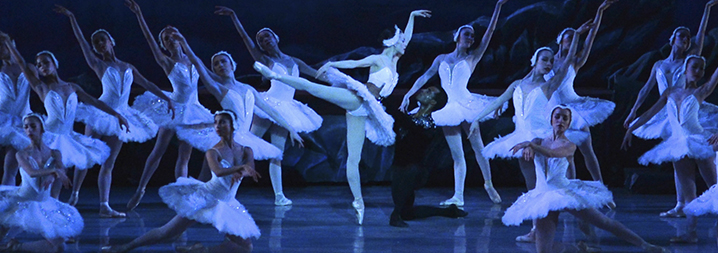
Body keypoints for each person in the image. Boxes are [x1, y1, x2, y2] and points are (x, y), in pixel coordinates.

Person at [253, 9, 430, 225]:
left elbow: (408, 38)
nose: (404, 42)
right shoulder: (377, 58)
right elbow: (354, 64)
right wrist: (332, 64)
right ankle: (275, 76)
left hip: (367, 110)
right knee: (314, 89)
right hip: (358, 98)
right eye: (400, 39)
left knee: (353, 159)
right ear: (393, 41)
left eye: (403, 40)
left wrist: (411, 15)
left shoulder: (396, 57)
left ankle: (358, 202)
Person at [53, 4, 175, 217]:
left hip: (122, 115)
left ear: (111, 42)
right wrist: (72, 17)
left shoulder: (128, 66)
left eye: (103, 40)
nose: (100, 44)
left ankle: (104, 205)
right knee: (88, 155)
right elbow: (82, 42)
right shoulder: (98, 64)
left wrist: (167, 98)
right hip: (100, 113)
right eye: (96, 42)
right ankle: (75, 194)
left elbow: (147, 83)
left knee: (109, 162)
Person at [504, 105, 669, 253]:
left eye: (565, 118)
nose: (560, 120)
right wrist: (528, 147)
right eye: (557, 117)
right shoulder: (538, 140)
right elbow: (532, 148)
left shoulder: (569, 145)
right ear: (551, 120)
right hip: (542, 195)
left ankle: (645, 245)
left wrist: (532, 146)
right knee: (543, 251)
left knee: (604, 222)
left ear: (568, 124)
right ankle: (578, 249)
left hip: (563, 192)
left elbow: (553, 154)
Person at [471, 30, 583, 242]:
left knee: (543, 184)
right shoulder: (517, 85)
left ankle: (556, 225)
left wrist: (576, 35)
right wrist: (477, 118)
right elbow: (498, 102)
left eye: (551, 61)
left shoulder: (548, 85)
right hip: (520, 137)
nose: (549, 64)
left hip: (538, 138)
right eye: (545, 60)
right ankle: (536, 229)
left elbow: (567, 60)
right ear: (535, 61)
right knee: (532, 186)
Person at [101, 110, 261, 253]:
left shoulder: (246, 150)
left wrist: (244, 170)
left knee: (245, 247)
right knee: (167, 233)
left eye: (222, 122)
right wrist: (237, 170)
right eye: (216, 122)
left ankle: (202, 250)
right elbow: (218, 172)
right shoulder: (213, 151)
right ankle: (124, 248)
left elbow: (250, 168)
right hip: (206, 197)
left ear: (232, 125)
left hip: (226, 202)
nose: (217, 126)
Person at [400, 0, 508, 206]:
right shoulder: (441, 58)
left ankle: (488, 183)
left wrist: (498, 7)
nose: (471, 37)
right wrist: (408, 95)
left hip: (468, 105)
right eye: (467, 34)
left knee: (478, 147)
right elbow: (424, 77)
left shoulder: (473, 57)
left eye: (472, 36)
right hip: (448, 108)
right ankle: (458, 196)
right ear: (457, 37)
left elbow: (490, 32)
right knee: (457, 155)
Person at [215, 5, 324, 206]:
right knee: (246, 146)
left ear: (276, 38)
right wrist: (234, 17)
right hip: (268, 105)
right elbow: (246, 41)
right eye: (262, 40)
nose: (265, 41)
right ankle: (222, 186)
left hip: (287, 109)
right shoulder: (265, 59)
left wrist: (343, 82)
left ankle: (279, 196)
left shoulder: (295, 61)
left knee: (277, 152)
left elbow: (317, 75)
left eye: (267, 37)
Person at [1, 32, 129, 200]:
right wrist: (8, 43)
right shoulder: (41, 87)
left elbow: (95, 102)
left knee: (58, 184)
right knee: (41, 183)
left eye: (46, 63)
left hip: (67, 138)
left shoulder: (73, 87)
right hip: (50, 137)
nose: (42, 67)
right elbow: (21, 63)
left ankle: (56, 208)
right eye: (39, 65)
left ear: (55, 64)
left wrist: (117, 115)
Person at [623, 0, 717, 217]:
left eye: (687, 38)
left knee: (701, 163)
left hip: (689, 110)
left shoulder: (689, 64)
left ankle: (695, 202)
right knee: (679, 159)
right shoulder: (659, 64)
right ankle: (681, 205)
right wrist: (632, 113)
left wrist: (707, 9)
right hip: (668, 111)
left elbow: (701, 35)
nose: (685, 40)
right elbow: (646, 90)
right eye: (681, 37)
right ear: (672, 40)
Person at [124, 0, 216, 211]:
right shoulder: (167, 61)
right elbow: (148, 39)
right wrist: (139, 14)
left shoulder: (193, 60)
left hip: (193, 110)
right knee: (158, 151)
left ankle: (182, 195)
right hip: (174, 108)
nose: (171, 40)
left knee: (185, 156)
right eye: (166, 39)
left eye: (173, 36)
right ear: (164, 44)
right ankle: (140, 189)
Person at [623, 55, 718, 238]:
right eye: (695, 67)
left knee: (714, 188)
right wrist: (631, 129)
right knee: (690, 195)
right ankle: (691, 234)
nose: (698, 72)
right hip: (678, 144)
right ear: (685, 69)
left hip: (698, 141)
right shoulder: (670, 92)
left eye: (701, 69)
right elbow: (651, 112)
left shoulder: (701, 92)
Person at [171, 29, 301, 162]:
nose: (220, 65)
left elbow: (270, 110)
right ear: (214, 70)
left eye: (223, 61)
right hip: (226, 137)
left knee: (231, 178)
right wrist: (183, 42)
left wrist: (291, 129)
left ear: (232, 65)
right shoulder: (218, 89)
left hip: (245, 138)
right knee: (223, 176)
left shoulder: (248, 89)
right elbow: (198, 63)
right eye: (216, 64)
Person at [548, 0, 617, 181]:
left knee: (587, 149)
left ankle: (600, 186)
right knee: (564, 153)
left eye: (575, 39)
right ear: (560, 40)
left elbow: (591, 38)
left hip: (574, 107)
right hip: (553, 109)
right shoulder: (548, 60)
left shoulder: (575, 61)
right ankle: (569, 190)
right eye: (569, 38)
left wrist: (600, 11)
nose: (572, 42)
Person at [0, 113, 83, 252]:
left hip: (44, 203)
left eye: (33, 126)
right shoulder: (22, 154)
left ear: (42, 129)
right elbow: (32, 172)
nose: (29, 130)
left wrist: (54, 174)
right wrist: (53, 172)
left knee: (60, 247)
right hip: (21, 201)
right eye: (26, 127)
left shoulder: (55, 153)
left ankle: (16, 247)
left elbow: (61, 167)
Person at [391, 86, 468, 227]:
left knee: (410, 171)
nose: (423, 91)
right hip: (399, 169)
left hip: (415, 173)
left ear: (432, 103)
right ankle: (448, 212)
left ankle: (395, 215)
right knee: (407, 213)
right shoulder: (410, 118)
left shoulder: (428, 125)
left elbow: (412, 131)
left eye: (428, 92)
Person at [0, 34, 32, 186]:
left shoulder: (28, 68)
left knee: (12, 166)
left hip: (22, 121)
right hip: (3, 120)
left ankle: (7, 205)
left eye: (2, 44)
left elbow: (22, 65)